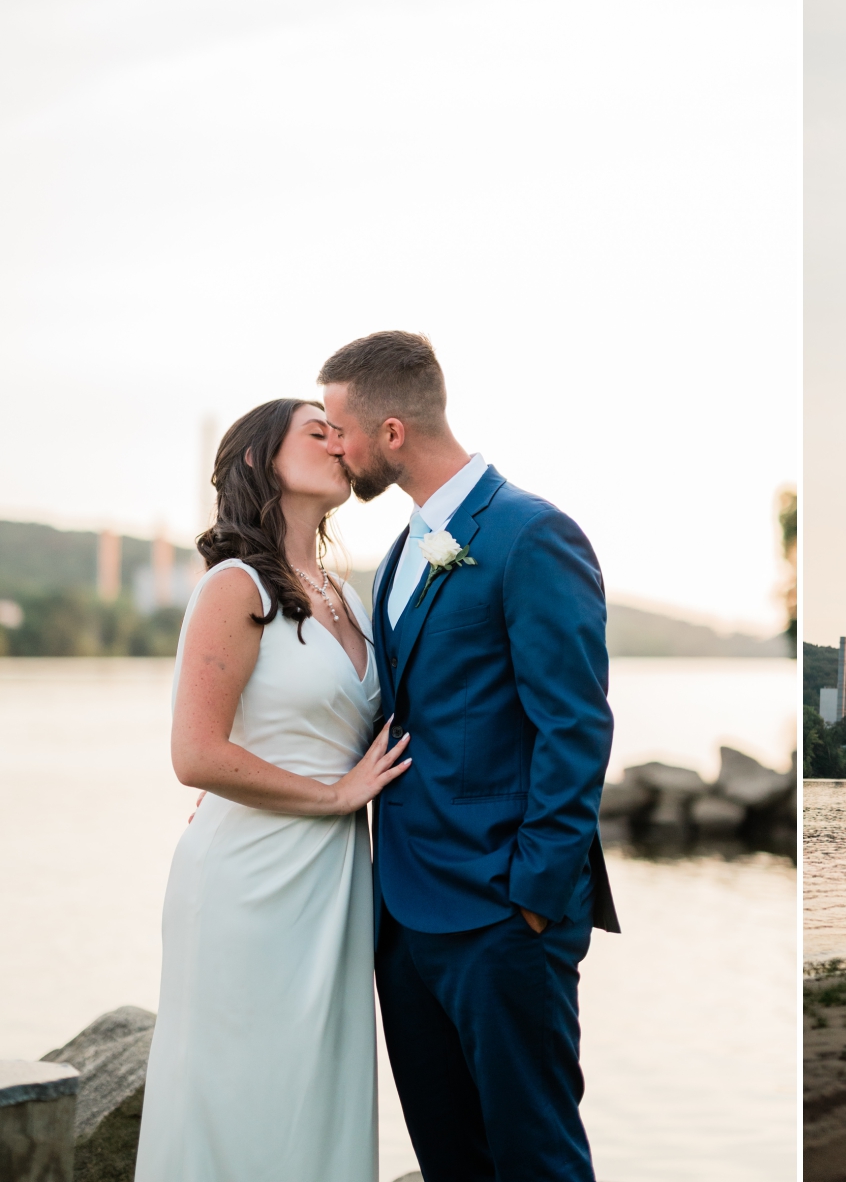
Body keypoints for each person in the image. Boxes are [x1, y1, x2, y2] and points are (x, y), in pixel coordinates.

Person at [321, 331, 620, 1182]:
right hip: (406, 922)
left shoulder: (532, 535)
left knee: (537, 1161)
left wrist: (531, 895)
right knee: (452, 1161)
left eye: (339, 429)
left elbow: (576, 726)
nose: (332, 448)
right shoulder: (399, 554)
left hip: (501, 917)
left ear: (389, 431)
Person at [137, 399, 407, 1180]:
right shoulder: (235, 584)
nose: (337, 439)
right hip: (247, 882)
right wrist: (331, 795)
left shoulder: (349, 597)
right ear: (260, 462)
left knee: (315, 1096)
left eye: (338, 429)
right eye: (315, 431)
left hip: (332, 883)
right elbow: (195, 754)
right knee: (238, 1099)